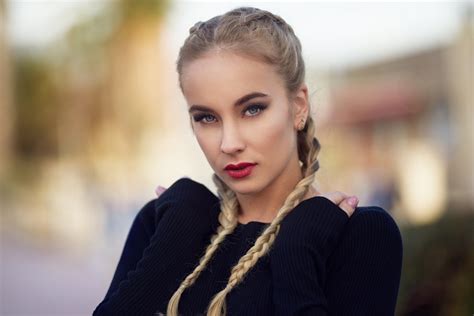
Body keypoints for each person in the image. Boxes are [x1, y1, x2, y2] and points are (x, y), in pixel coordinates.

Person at [93, 6, 403, 316]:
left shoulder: (358, 234)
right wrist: (175, 240)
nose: (229, 143)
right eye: (206, 117)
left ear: (298, 106)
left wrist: (296, 253)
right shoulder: (162, 224)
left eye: (252, 109)